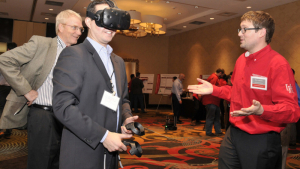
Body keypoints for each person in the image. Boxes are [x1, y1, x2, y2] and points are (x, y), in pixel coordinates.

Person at [188, 11, 300, 168]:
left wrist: (262, 110)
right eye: (239, 29)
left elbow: (292, 111)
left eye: (244, 29)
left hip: (261, 139)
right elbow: (236, 93)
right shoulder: (241, 60)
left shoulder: (278, 64)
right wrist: (214, 90)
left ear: (262, 32)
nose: (240, 33)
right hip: (233, 133)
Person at [52, 1, 138, 169]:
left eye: (113, 20)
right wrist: (103, 136)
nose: (109, 26)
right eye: (103, 18)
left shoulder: (118, 62)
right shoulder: (73, 55)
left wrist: (127, 117)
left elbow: (123, 99)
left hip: (111, 151)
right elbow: (63, 107)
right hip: (83, 152)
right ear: (88, 22)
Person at [0, 10, 83, 169]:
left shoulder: (78, 54)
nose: (79, 32)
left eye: (81, 29)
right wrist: (26, 90)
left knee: (63, 161)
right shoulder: (42, 44)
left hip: (69, 118)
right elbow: (4, 60)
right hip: (43, 116)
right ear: (60, 27)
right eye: (74, 27)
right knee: (41, 162)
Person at [0, 42, 17, 139]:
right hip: (14, 87)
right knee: (10, 108)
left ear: (8, 49)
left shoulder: (3, 58)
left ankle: (1, 130)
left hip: (3, 87)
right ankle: (8, 131)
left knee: (1, 108)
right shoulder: (18, 59)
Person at [201, 69, 224, 136]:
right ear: (220, 73)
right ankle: (208, 132)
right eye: (222, 75)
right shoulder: (214, 77)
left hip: (214, 101)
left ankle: (218, 131)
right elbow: (211, 88)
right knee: (211, 117)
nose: (222, 76)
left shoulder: (213, 77)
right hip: (211, 101)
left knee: (216, 117)